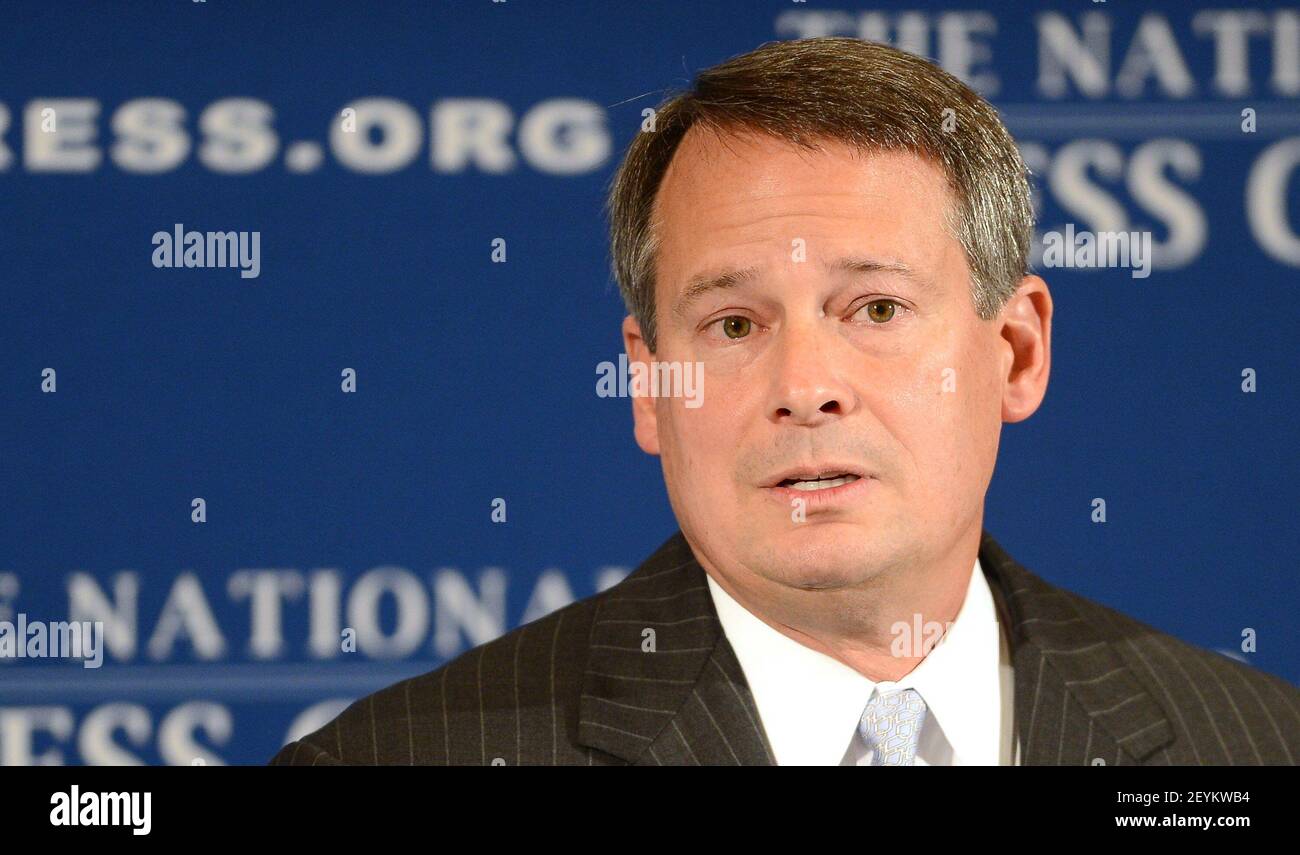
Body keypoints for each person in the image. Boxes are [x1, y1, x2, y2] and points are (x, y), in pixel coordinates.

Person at [271, 37, 1298, 766]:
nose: (804, 388)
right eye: (731, 326)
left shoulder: (1253, 746)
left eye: (877, 307)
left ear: (1016, 352)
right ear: (648, 384)